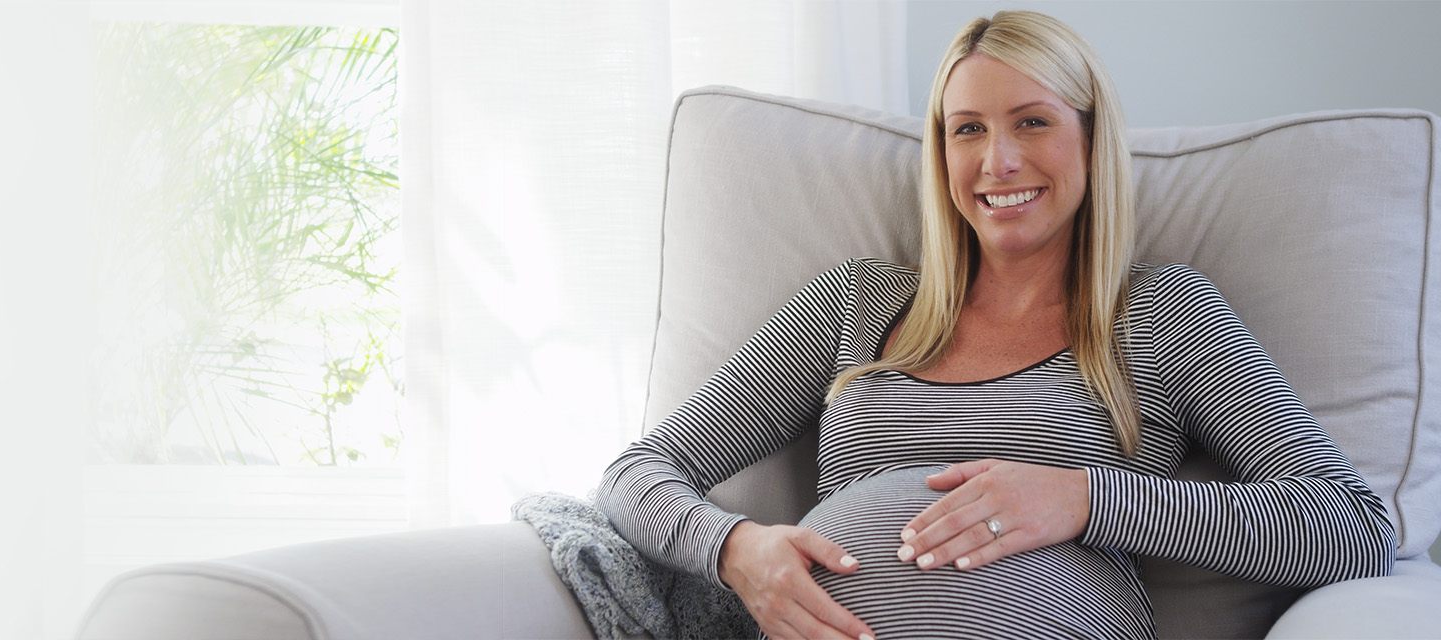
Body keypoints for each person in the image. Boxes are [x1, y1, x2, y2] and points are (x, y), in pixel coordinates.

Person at [594, 10, 1396, 640]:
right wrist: (739, 552)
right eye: (967, 129)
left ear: (1090, 136)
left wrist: (1083, 500)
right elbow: (639, 473)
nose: (997, 162)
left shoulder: (1160, 315)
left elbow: (1350, 526)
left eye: (1033, 122)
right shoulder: (861, 303)